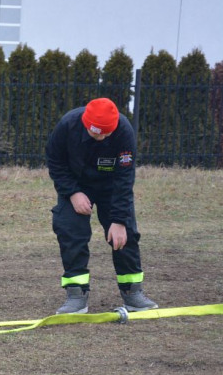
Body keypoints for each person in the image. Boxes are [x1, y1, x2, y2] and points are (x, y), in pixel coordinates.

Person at [46, 97, 158, 314]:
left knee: (127, 235)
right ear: (86, 125)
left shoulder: (124, 132)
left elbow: (125, 179)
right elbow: (55, 161)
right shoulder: (67, 125)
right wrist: (73, 193)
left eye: (106, 134)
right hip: (76, 185)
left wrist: (118, 221)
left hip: (111, 187)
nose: (101, 137)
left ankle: (132, 294)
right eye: (96, 133)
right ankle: (76, 296)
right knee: (71, 231)